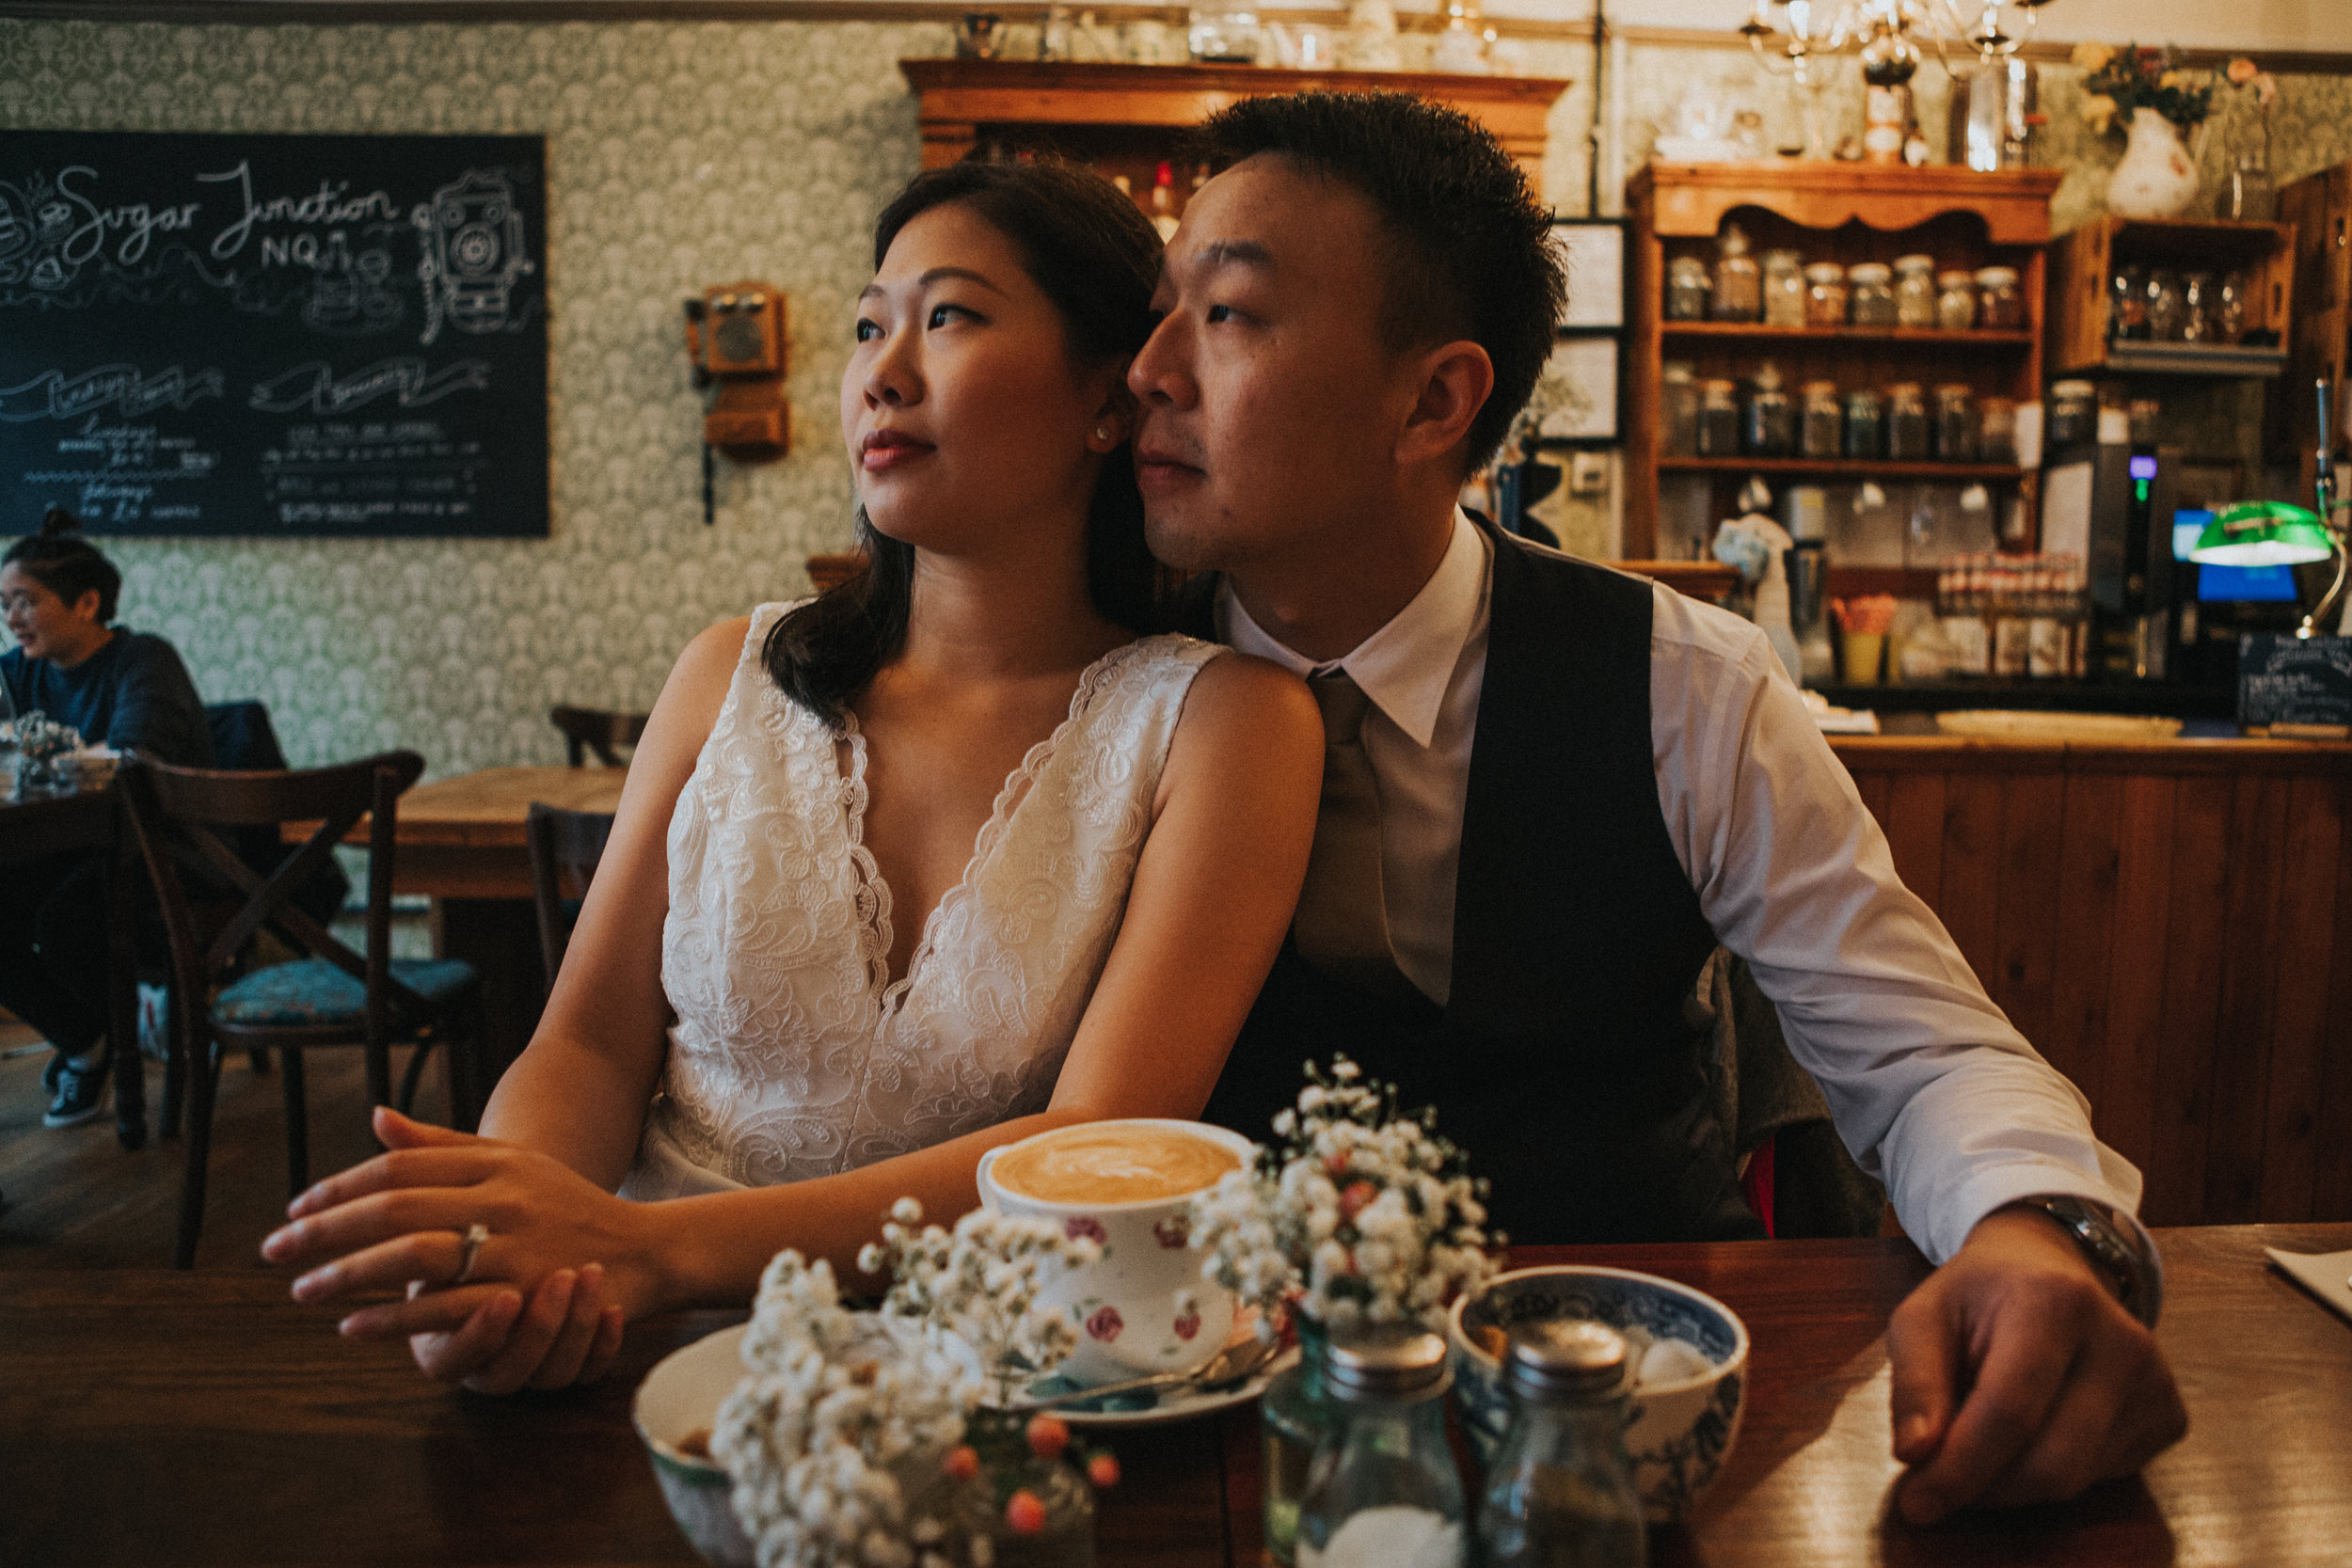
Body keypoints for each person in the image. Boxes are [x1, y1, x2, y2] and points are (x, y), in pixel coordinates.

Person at [1127, 91, 2185, 1526]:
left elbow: (1928, 1053)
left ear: (1434, 400)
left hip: (1637, 1431)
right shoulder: (1110, 682)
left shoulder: (1682, 683)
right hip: (1231, 1431)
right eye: (1156, 308)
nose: (1145, 371)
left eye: (1230, 315)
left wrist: (2041, 1236)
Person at [257, 159, 1323, 1395]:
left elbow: (1096, 1140)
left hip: (995, 1381)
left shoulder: (1225, 720)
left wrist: (649, 1249)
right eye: (871, 324)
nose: (881, 368)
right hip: (639, 1358)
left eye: (950, 316)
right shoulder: (731, 666)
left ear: (1106, 395)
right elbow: (590, 1046)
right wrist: (510, 1250)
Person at [2, 508, 215, 1127]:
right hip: (66, 849)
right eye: (3, 604)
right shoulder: (16, 672)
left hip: (165, 852)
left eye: (25, 601)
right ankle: (86, 1038)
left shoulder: (143, 660)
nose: (11, 618)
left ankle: (116, 1035)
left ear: (87, 601)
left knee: (64, 917)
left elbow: (131, 758)